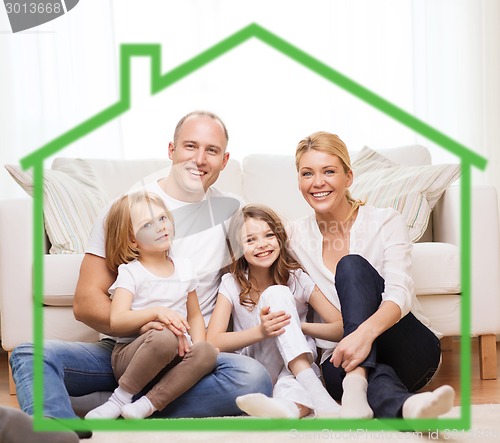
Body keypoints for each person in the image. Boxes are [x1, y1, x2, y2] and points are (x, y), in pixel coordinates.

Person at [9, 111, 272, 438]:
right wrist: (142, 320)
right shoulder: (126, 209)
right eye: (190, 146)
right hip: (125, 350)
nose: (200, 159)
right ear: (171, 149)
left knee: (253, 378)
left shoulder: (233, 212)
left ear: (225, 160)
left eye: (212, 150)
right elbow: (86, 302)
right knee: (30, 354)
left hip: (187, 359)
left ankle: (121, 405)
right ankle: (54, 431)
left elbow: (266, 262)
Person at [288, 131, 455, 419]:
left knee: (351, 265)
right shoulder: (292, 236)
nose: (317, 182)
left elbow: (399, 294)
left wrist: (362, 335)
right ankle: (410, 408)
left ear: (348, 177)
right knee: (372, 380)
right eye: (307, 174)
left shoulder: (385, 220)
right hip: (339, 361)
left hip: (407, 347)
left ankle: (356, 379)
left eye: (329, 171)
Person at [85, 192, 218, 419]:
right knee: (163, 335)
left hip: (175, 357)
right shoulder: (131, 272)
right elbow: (117, 320)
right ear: (132, 240)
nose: (160, 227)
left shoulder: (185, 268)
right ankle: (120, 399)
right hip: (133, 358)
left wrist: (196, 346)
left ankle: (147, 405)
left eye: (163, 218)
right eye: (147, 224)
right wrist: (156, 313)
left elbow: (195, 316)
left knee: (207, 352)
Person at [207, 204, 343, 418]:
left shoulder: (297, 278)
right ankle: (317, 393)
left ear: (279, 238)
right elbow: (213, 341)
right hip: (255, 368)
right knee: (276, 293)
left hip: (293, 372)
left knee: (295, 392)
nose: (262, 245)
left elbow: (339, 327)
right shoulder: (232, 283)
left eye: (269, 235)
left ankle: (286, 409)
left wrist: (297, 326)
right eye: (250, 240)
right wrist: (261, 331)